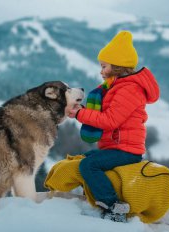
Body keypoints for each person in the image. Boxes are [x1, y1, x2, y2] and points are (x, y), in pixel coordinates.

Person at [67, 30, 160, 222]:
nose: (101, 71)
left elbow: (110, 120)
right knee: (86, 158)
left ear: (117, 66)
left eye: (104, 66)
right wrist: (82, 111)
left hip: (126, 150)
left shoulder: (129, 89)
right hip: (116, 147)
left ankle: (114, 206)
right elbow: (105, 116)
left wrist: (80, 114)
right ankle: (93, 199)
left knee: (88, 165)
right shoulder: (116, 87)